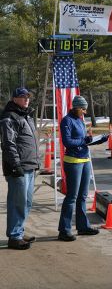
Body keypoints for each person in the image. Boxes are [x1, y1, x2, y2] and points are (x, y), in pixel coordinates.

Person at [58, 95, 108, 241]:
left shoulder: (80, 121)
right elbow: (68, 142)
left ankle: (82, 226)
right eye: (83, 109)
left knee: (83, 196)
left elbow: (84, 142)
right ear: (76, 107)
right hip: (73, 162)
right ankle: (64, 229)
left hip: (85, 160)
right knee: (72, 196)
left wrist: (98, 140)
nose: (85, 112)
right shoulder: (67, 121)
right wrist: (84, 140)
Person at [0, 88, 39, 250]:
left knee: (26, 202)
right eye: (23, 97)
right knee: (18, 202)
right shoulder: (9, 116)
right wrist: (15, 165)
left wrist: (37, 162)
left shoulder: (26, 115)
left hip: (30, 165)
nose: (26, 99)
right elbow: (9, 144)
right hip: (18, 167)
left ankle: (19, 232)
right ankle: (14, 236)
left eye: (28, 97)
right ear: (14, 98)